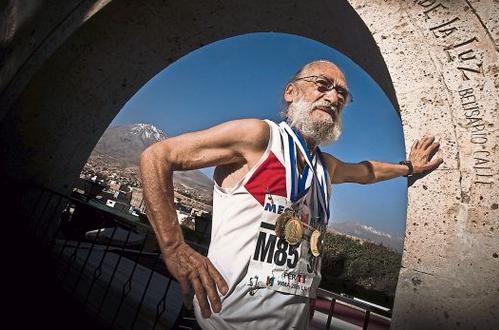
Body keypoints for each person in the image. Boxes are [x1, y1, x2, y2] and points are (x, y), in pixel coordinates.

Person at [139, 60, 443, 329]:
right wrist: (174, 248)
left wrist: (408, 167)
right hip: (220, 321)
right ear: (291, 92)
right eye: (323, 85)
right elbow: (157, 157)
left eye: (343, 95)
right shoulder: (259, 138)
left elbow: (367, 172)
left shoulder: (325, 167)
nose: (334, 97)